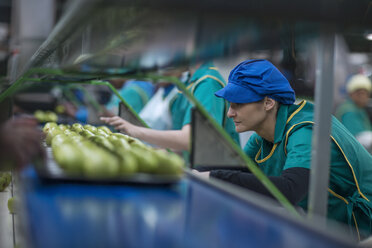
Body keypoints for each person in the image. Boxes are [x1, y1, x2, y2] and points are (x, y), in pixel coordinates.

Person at [202, 59, 372, 240]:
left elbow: (290, 189)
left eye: (239, 104)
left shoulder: (304, 129)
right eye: (230, 104)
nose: (230, 113)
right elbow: (239, 171)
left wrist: (214, 176)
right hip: (324, 222)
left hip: (361, 227)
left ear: (268, 103)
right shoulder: (261, 138)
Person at [100, 62, 239, 151]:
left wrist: (134, 130)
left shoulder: (207, 84)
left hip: (214, 177)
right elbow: (181, 143)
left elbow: (191, 140)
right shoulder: (187, 83)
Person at [335, 74, 372, 151]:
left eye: (365, 93)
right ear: (351, 94)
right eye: (359, 93)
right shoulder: (349, 111)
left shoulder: (359, 108)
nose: (362, 97)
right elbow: (356, 139)